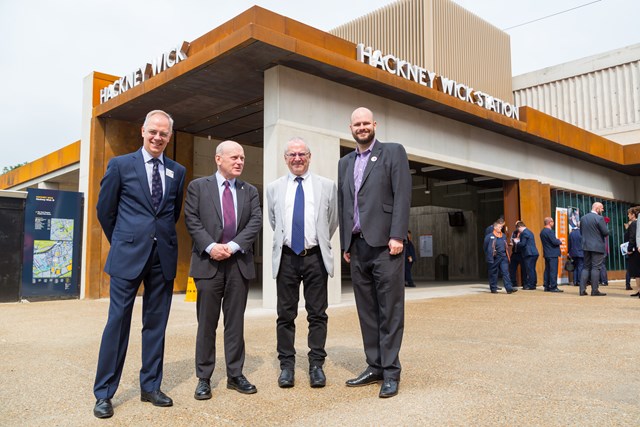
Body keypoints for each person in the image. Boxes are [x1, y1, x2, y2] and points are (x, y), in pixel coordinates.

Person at [92, 110, 186, 419]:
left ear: (169, 137)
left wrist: (156, 239)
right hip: (127, 256)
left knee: (155, 326)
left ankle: (151, 387)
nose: (158, 137)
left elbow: (170, 213)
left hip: (163, 258)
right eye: (153, 131)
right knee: (117, 323)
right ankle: (104, 393)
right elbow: (105, 211)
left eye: (164, 133)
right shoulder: (120, 165)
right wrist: (125, 239)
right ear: (142, 131)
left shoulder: (177, 170)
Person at [338, 107, 411, 398]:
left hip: (385, 245)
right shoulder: (345, 162)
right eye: (357, 124)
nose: (362, 127)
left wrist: (397, 235)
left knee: (390, 309)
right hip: (357, 246)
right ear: (351, 128)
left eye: (366, 122)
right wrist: (345, 244)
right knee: (367, 311)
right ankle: (374, 365)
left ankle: (391, 371)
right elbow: (344, 202)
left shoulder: (393, 152)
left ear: (375, 125)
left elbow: (403, 194)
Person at [184, 140, 262, 400]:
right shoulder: (198, 187)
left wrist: (232, 246)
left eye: (242, 158)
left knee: (235, 323)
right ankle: (204, 378)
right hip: (208, 264)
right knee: (206, 324)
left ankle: (235, 375)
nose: (239, 162)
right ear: (218, 159)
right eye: (234, 157)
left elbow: (255, 222)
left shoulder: (249, 191)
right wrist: (210, 246)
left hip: (238, 264)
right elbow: (191, 219)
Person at [266, 137, 338, 389]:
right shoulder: (273, 188)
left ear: (310, 156)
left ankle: (316, 364)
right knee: (285, 314)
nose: (297, 158)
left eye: (302, 154)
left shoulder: (327, 186)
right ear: (285, 159)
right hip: (286, 257)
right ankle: (286, 366)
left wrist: (314, 240)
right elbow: (275, 222)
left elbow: (332, 221)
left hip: (315, 257)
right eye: (292, 154)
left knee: (317, 313)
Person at [579, 202, 609, 296]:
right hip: (597, 246)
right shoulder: (599, 218)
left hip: (586, 246)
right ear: (597, 208)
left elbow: (581, 232)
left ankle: (582, 290)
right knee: (596, 268)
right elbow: (605, 232)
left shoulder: (583, 218)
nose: (603, 210)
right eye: (602, 208)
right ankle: (594, 290)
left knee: (586, 267)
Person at [483, 221, 518, 294]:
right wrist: (490, 254)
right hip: (494, 257)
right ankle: (493, 288)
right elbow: (485, 246)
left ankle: (509, 288)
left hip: (503, 257)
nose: (500, 228)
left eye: (501, 227)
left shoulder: (504, 236)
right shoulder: (489, 236)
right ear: (495, 227)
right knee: (493, 272)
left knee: (505, 272)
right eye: (499, 227)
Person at [539, 217, 564, 293]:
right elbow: (554, 242)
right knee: (553, 270)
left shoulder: (542, 232)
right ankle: (553, 286)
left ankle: (546, 286)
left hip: (547, 253)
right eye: (552, 221)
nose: (553, 223)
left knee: (547, 270)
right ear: (550, 222)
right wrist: (559, 241)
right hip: (553, 253)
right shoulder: (549, 231)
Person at [514, 221, 539, 290]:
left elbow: (523, 244)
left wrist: (517, 242)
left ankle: (531, 285)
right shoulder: (529, 232)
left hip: (529, 253)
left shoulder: (524, 233)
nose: (518, 230)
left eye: (518, 229)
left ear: (520, 227)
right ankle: (533, 283)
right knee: (532, 269)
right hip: (534, 253)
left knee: (529, 269)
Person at [626, 207, 640, 297]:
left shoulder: (633, 224)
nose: (628, 215)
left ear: (633, 214)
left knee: (637, 272)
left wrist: (629, 249)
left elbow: (632, 238)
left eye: (629, 214)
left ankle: (639, 289)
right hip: (637, 249)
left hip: (635, 251)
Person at [508, 222, 525, 288]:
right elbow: (512, 240)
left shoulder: (524, 233)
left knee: (524, 268)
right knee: (512, 268)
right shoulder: (514, 232)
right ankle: (513, 283)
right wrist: (512, 242)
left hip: (521, 253)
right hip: (514, 252)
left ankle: (524, 283)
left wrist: (518, 241)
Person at [568, 222, 584, 288]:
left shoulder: (571, 233)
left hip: (573, 253)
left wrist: (568, 252)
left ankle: (575, 281)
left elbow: (569, 244)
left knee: (575, 267)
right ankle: (579, 281)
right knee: (580, 267)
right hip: (581, 253)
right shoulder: (582, 233)